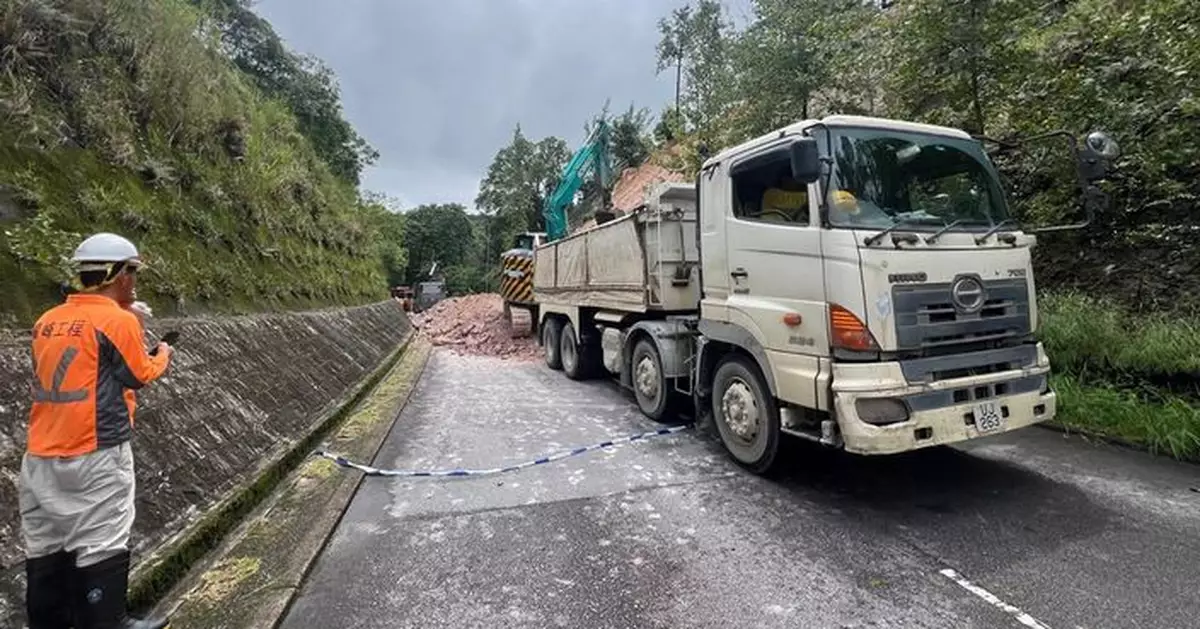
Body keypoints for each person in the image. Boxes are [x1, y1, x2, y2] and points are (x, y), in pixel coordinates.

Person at [20, 232, 174, 629]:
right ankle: (109, 621)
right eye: (133, 272)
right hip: (97, 451)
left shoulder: (46, 320)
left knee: (46, 546)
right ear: (120, 275)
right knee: (102, 539)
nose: (134, 280)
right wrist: (163, 353)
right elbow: (139, 373)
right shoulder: (118, 320)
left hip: (39, 453)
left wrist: (128, 318)